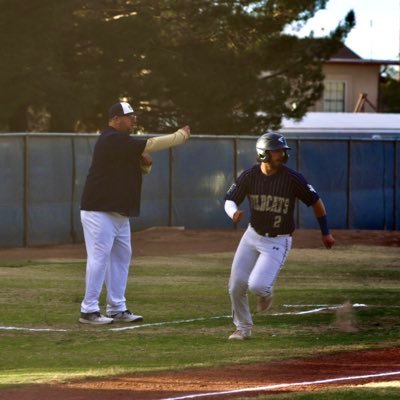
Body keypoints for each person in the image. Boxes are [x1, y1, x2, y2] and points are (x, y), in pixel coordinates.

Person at [79, 101, 191, 325]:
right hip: (99, 210)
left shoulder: (122, 143)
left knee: (121, 258)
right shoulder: (111, 138)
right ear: (115, 119)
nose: (133, 120)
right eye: (129, 116)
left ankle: (117, 308)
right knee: (99, 258)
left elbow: (139, 168)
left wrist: (145, 165)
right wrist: (179, 136)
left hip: (119, 213)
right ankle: (88, 310)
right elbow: (151, 143)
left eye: (134, 117)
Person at [224, 132, 335, 340]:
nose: (281, 155)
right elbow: (229, 199)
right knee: (236, 285)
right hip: (252, 235)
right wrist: (233, 213)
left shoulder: (292, 179)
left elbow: (316, 203)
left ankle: (265, 293)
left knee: (257, 285)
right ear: (263, 153)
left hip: (277, 240)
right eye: (276, 151)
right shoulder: (249, 176)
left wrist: (326, 232)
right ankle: (243, 328)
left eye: (283, 151)